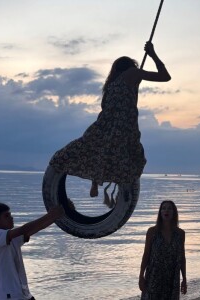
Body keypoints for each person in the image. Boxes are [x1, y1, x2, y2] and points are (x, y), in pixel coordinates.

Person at [49, 42, 171, 201]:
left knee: (97, 150)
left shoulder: (110, 85)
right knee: (129, 156)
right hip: (123, 126)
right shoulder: (133, 73)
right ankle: (120, 187)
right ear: (130, 66)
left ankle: (95, 181)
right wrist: (153, 54)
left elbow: (106, 107)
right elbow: (165, 76)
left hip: (103, 125)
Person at [0, 203, 64, 300]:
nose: (11, 218)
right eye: (6, 216)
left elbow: (37, 227)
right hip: (10, 296)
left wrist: (59, 214)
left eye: (10, 215)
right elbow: (24, 229)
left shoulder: (12, 238)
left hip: (24, 295)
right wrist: (51, 215)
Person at [139, 201, 187, 300]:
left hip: (172, 277)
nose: (166, 210)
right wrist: (141, 276)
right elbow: (146, 254)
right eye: (164, 208)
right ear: (160, 212)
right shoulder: (152, 232)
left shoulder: (180, 234)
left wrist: (184, 278)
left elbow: (182, 257)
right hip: (154, 276)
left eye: (169, 208)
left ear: (174, 213)